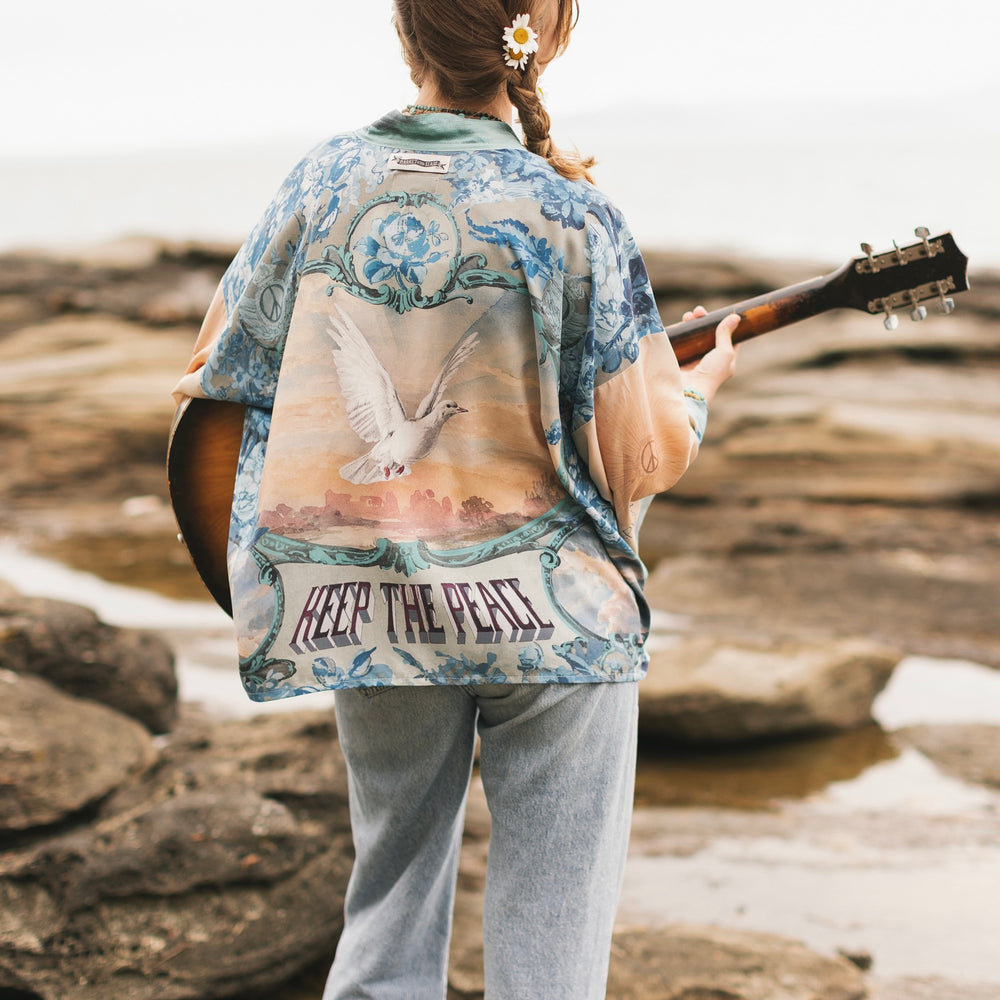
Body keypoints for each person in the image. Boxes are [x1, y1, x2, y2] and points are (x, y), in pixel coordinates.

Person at [172, 1, 737, 996]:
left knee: (388, 900)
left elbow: (217, 381)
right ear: (545, 39)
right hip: (556, 625)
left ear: (406, 32)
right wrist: (693, 394)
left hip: (367, 600)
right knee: (550, 953)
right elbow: (641, 453)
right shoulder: (576, 211)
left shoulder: (321, 179)